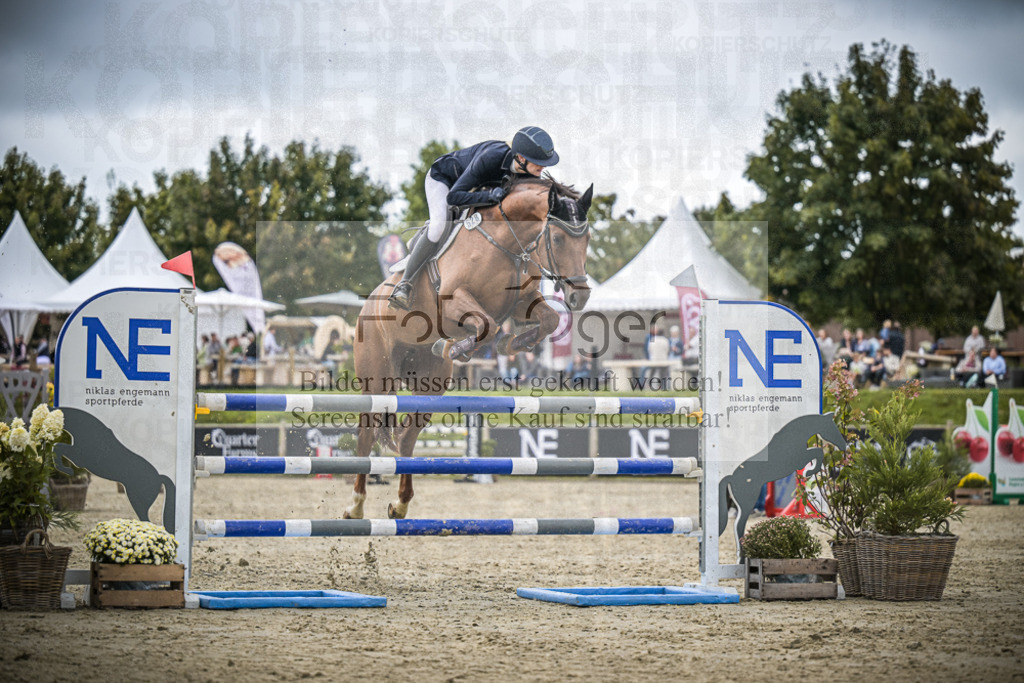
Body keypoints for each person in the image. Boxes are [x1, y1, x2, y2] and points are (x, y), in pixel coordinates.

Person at [388, 126, 560, 310]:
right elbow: (454, 197)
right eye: (538, 162)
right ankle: (405, 284)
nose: (543, 167)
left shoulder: (528, 172)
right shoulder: (492, 156)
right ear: (521, 158)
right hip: (445, 180)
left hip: (472, 189)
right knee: (439, 225)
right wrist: (488, 197)